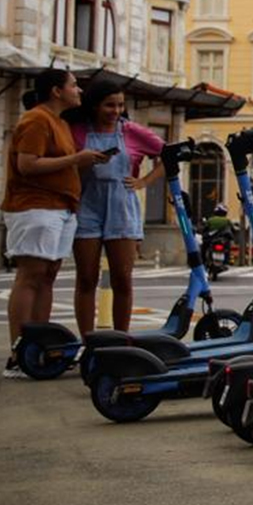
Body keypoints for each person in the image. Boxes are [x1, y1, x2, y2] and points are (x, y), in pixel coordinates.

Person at [2, 69, 109, 378]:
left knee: (47, 275)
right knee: (31, 275)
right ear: (56, 91)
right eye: (74, 85)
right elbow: (27, 164)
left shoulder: (60, 122)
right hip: (35, 206)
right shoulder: (36, 120)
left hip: (61, 207)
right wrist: (76, 159)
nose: (79, 91)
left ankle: (39, 349)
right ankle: (18, 353)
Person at [69, 80, 165, 337]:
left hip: (122, 205)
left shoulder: (132, 131)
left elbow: (168, 155)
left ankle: (122, 338)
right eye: (109, 105)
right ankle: (88, 340)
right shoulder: (76, 131)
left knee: (122, 278)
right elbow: (66, 164)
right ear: (94, 106)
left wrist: (144, 181)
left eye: (120, 105)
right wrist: (84, 162)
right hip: (86, 203)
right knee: (86, 278)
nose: (116, 110)